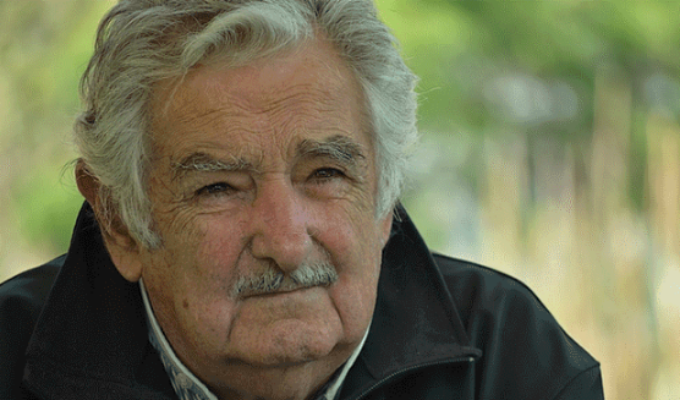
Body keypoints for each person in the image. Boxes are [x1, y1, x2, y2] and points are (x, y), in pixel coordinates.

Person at [0, 1, 604, 399]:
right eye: (219, 188)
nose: (287, 244)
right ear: (119, 221)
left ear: (384, 198)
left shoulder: (513, 365)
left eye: (326, 174)